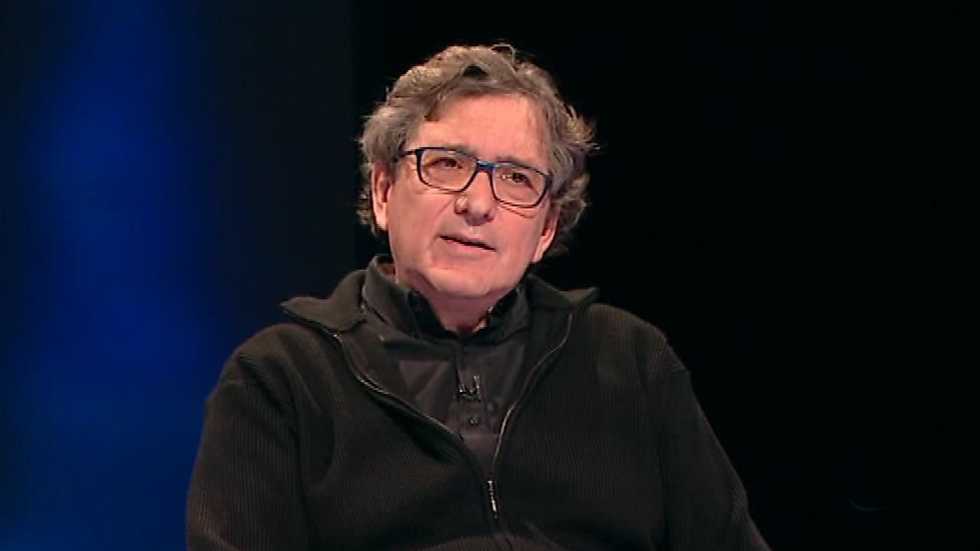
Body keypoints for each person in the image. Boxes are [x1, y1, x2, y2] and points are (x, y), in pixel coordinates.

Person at [187, 43, 770, 550]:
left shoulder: (630, 360)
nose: (478, 203)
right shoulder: (281, 379)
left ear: (546, 229)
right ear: (384, 190)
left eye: (516, 178)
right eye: (447, 164)